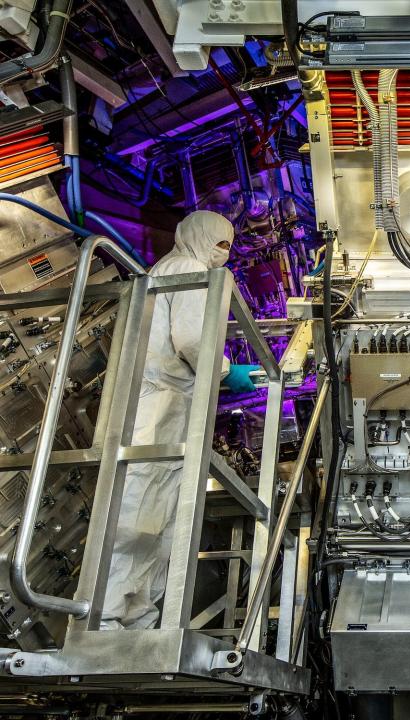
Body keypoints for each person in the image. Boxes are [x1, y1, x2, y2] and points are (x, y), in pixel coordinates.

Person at [101, 211, 260, 629]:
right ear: (197, 236)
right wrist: (228, 372)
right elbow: (192, 339)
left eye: (228, 245)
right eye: (219, 242)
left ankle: (134, 621)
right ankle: (109, 619)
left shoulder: (170, 268)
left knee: (159, 523)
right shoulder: (187, 268)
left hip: (170, 408)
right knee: (137, 519)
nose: (223, 253)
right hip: (155, 409)